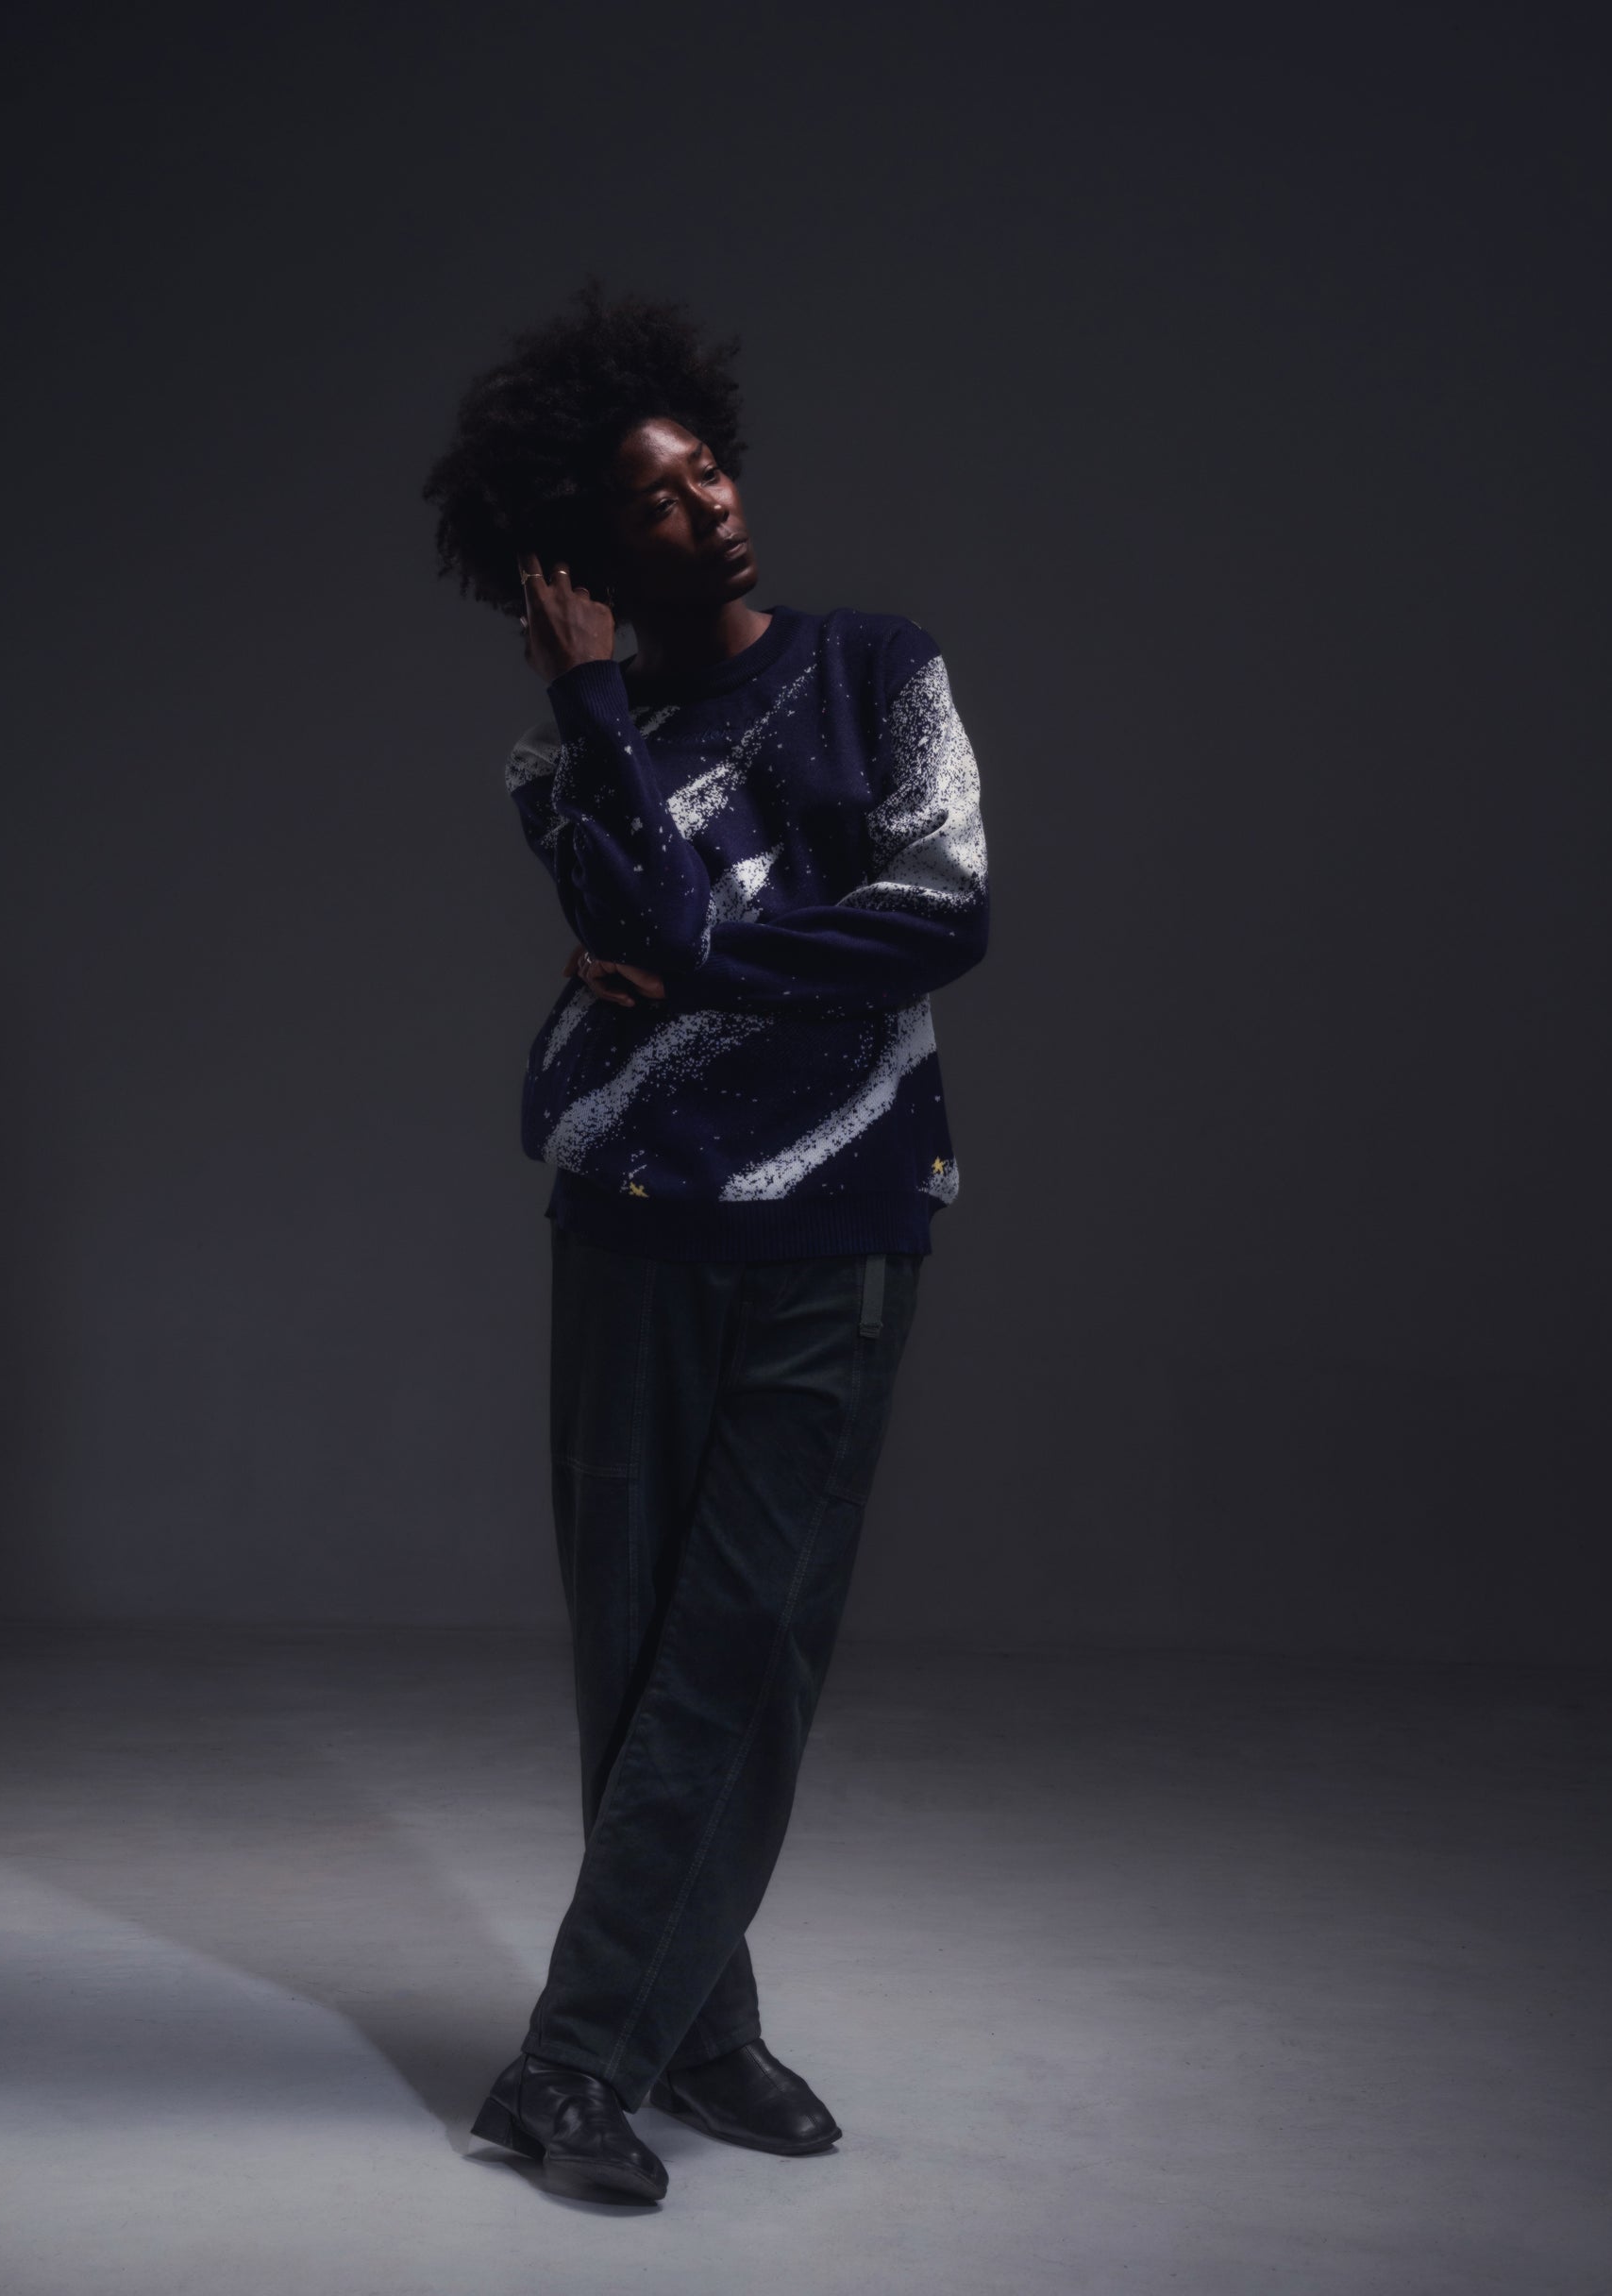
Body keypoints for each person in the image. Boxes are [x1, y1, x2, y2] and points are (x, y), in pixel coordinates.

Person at [422, 282, 990, 2204]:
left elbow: (937, 914)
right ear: (578, 560)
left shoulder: (876, 669)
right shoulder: (560, 761)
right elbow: (635, 904)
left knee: (746, 1642)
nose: (712, 506)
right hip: (630, 1213)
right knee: (643, 1649)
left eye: (710, 470)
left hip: (840, 1212)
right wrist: (595, 714)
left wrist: (704, 959)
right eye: (657, 500)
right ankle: (695, 2024)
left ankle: (570, 2063)